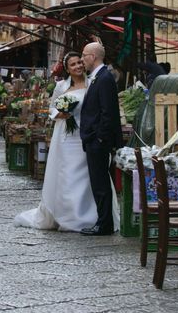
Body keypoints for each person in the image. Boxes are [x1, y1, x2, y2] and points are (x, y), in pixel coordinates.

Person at [14, 52, 119, 232]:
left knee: (88, 175)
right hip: (66, 136)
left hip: (85, 134)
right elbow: (52, 108)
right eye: (73, 64)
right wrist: (61, 114)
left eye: (80, 62)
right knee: (67, 173)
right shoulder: (61, 86)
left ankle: (92, 214)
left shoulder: (91, 82)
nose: (78, 66)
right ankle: (67, 213)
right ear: (67, 69)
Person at [79, 42, 123, 236]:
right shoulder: (98, 77)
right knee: (98, 183)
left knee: (101, 183)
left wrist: (100, 139)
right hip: (94, 139)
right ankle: (102, 220)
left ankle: (104, 224)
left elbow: (108, 113)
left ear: (93, 57)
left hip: (98, 141)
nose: (82, 59)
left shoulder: (104, 78)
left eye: (84, 55)